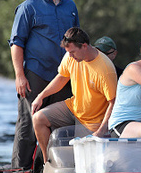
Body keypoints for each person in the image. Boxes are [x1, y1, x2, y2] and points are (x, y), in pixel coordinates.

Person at [8, 0, 79, 170]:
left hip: (63, 76)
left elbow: (77, 41)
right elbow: (16, 42)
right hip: (35, 74)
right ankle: (19, 171)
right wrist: (19, 75)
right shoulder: (28, 7)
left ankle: (42, 170)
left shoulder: (71, 6)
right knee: (28, 125)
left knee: (58, 125)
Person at [31, 27, 117, 164]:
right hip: (73, 108)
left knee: (82, 163)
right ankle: (47, 163)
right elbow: (61, 78)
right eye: (68, 52)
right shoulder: (70, 56)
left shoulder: (105, 69)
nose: (70, 56)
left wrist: (102, 130)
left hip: (93, 121)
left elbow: (113, 103)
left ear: (84, 46)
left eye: (72, 52)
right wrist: (40, 96)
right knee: (38, 118)